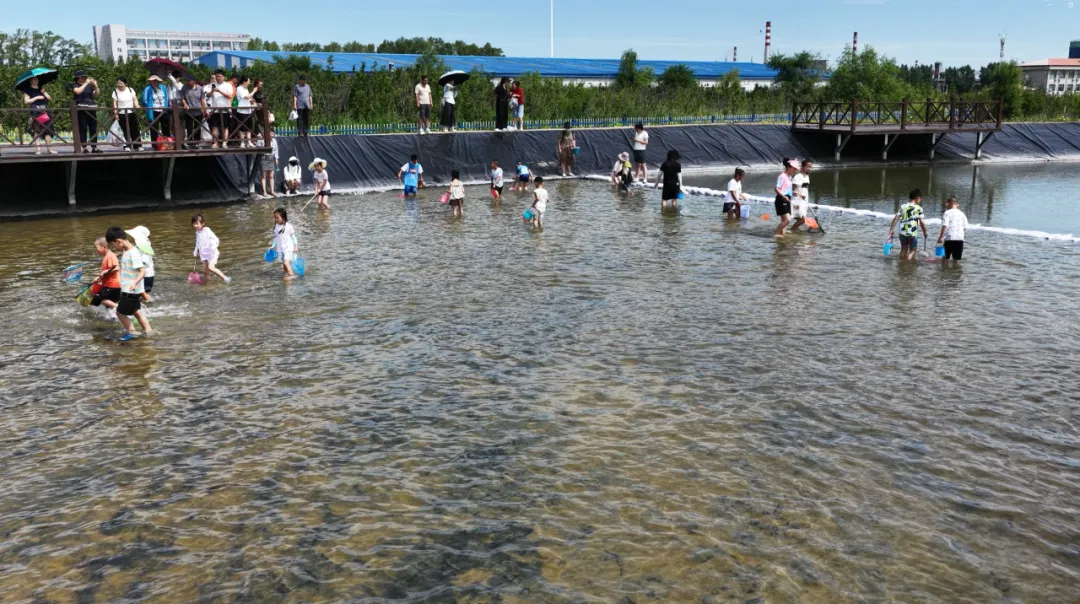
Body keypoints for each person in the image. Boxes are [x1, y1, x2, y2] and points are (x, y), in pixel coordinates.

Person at [105, 227, 153, 340]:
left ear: (118, 241)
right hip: (130, 290)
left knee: (120, 313)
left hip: (130, 290)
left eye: (113, 245)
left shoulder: (133, 253)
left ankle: (132, 333)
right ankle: (149, 332)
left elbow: (142, 271)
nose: (114, 248)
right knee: (137, 312)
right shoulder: (126, 250)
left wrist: (134, 283)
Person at [888, 189, 929, 261]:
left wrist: (891, 230)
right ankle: (907, 263)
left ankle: (901, 263)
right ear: (918, 198)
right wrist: (925, 232)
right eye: (920, 199)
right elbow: (922, 222)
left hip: (902, 232)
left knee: (903, 249)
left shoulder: (902, 206)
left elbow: (896, 218)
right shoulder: (919, 208)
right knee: (913, 250)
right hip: (912, 234)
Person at [192, 213, 230, 283]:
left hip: (212, 253)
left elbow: (216, 240)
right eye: (194, 224)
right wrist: (195, 250)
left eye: (197, 223)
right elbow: (198, 242)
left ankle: (225, 278)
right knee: (205, 272)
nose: (195, 225)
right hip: (203, 254)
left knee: (210, 267)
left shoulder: (207, 230)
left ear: (203, 223)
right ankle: (207, 284)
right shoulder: (197, 232)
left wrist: (212, 248)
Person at [69, 70, 100, 153]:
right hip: (80, 108)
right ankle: (84, 147)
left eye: (84, 77)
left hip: (91, 107)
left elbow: (96, 94)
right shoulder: (75, 85)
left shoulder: (90, 85)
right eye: (81, 77)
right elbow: (77, 91)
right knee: (82, 128)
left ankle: (94, 147)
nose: (83, 78)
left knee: (93, 128)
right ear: (77, 78)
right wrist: (86, 83)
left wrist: (96, 86)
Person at [22, 76, 55, 154]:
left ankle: (50, 149)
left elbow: (50, 98)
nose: (36, 80)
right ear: (30, 81)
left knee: (48, 130)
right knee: (36, 131)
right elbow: (26, 101)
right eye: (34, 79)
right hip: (36, 112)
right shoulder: (28, 90)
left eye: (37, 79)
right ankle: (38, 150)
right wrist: (36, 98)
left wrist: (44, 92)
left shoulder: (41, 88)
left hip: (45, 111)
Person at [126, 226, 156, 303]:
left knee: (142, 293)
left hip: (146, 275)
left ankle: (151, 303)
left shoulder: (144, 247)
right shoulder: (140, 245)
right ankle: (146, 304)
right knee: (140, 294)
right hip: (143, 274)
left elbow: (144, 262)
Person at [91, 237, 121, 310]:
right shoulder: (107, 256)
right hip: (111, 285)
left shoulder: (110, 256)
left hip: (111, 285)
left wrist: (105, 271)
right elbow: (108, 273)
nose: (96, 250)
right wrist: (99, 278)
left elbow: (116, 268)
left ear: (104, 247)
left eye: (97, 248)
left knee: (97, 299)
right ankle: (116, 312)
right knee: (108, 305)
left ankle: (119, 307)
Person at [937, 196, 969, 266]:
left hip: (950, 238)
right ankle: (955, 271)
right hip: (960, 239)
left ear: (949, 203)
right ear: (957, 204)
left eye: (947, 204)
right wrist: (963, 237)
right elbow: (966, 228)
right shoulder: (962, 214)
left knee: (945, 257)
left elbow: (944, 225)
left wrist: (941, 237)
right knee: (956, 259)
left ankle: (944, 270)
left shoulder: (947, 212)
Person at [112, 77, 141, 151]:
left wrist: (137, 105)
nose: (119, 85)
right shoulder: (115, 92)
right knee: (124, 130)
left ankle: (137, 145)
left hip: (131, 112)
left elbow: (134, 99)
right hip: (121, 113)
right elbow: (114, 103)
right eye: (118, 83)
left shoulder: (130, 90)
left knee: (135, 129)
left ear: (125, 84)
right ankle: (127, 145)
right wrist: (116, 113)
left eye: (121, 83)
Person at [206, 70, 234, 148]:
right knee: (215, 126)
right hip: (215, 109)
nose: (218, 78)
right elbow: (207, 96)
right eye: (217, 76)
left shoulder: (228, 85)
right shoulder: (212, 84)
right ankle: (215, 142)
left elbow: (229, 95)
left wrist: (219, 91)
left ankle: (224, 142)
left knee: (225, 127)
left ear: (224, 77)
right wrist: (212, 91)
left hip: (225, 109)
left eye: (220, 76)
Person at [142, 75, 171, 146]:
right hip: (153, 111)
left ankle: (167, 144)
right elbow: (144, 100)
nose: (154, 82)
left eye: (156, 80)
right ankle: (155, 145)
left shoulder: (163, 87)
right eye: (153, 81)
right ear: (150, 81)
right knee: (154, 128)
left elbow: (166, 97)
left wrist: (166, 106)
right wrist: (149, 105)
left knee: (166, 127)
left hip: (163, 110)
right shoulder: (147, 88)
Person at [180, 76, 206, 149]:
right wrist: (185, 104)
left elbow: (202, 99)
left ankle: (197, 143)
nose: (188, 82)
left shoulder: (200, 88)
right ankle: (190, 142)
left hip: (198, 110)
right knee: (189, 127)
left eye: (189, 81)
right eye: (187, 81)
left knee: (198, 127)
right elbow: (182, 98)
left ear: (194, 81)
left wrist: (204, 109)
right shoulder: (184, 87)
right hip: (189, 111)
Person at [774, 158, 798, 236]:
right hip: (781, 199)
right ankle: (776, 234)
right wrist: (783, 196)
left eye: (795, 169)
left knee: (784, 220)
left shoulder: (790, 177)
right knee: (787, 220)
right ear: (788, 167)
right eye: (794, 168)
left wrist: (795, 193)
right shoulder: (782, 176)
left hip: (787, 199)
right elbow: (776, 188)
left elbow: (787, 189)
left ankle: (782, 235)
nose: (795, 170)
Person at [273, 208, 299, 278]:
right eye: (275, 218)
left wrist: (296, 247)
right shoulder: (276, 227)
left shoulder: (289, 226)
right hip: (280, 248)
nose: (276, 219)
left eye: (277, 218)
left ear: (283, 217)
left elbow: (294, 237)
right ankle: (286, 274)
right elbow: (276, 237)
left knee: (286, 262)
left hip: (288, 248)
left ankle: (293, 276)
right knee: (284, 264)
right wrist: (273, 246)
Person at [790, 159, 813, 231]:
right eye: (808, 166)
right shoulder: (797, 177)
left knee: (800, 218)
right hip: (797, 201)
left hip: (804, 200)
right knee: (802, 219)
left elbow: (805, 188)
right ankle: (791, 230)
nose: (809, 168)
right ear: (802, 166)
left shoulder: (806, 176)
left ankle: (796, 231)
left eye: (810, 167)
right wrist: (799, 194)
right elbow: (793, 190)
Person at [234, 75, 255, 147]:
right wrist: (254, 91)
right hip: (241, 110)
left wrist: (251, 100)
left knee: (249, 127)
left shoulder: (246, 89)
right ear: (244, 82)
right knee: (242, 128)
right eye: (248, 82)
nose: (249, 83)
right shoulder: (239, 88)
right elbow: (247, 97)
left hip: (248, 110)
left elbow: (249, 98)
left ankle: (249, 142)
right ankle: (242, 142)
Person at [260, 128, 279, 197]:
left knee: (271, 176)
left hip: (271, 158)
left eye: (273, 133)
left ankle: (272, 191)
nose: (272, 134)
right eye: (270, 133)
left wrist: (276, 158)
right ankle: (264, 191)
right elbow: (258, 147)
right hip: (264, 157)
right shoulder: (262, 139)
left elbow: (276, 150)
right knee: (263, 176)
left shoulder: (274, 141)